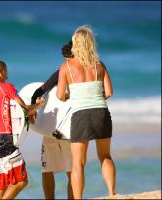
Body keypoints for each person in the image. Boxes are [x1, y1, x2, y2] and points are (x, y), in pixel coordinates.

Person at [56, 25, 116, 199]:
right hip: (101, 112)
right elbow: (109, 92)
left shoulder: (66, 66)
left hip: (81, 115)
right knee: (105, 155)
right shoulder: (99, 65)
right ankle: (112, 193)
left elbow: (60, 95)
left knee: (78, 163)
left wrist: (70, 95)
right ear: (91, 43)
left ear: (75, 44)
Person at [0, 59, 45, 199]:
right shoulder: (5, 86)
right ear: (0, 72)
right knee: (21, 182)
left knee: (1, 186)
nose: (7, 76)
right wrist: (38, 105)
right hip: (3, 141)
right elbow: (25, 110)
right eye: (6, 72)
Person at [31, 41, 74, 199]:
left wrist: (32, 110)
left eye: (67, 59)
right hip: (67, 129)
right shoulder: (83, 72)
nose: (66, 63)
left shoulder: (61, 71)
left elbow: (39, 91)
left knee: (49, 169)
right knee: (69, 170)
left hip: (52, 126)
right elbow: (39, 91)